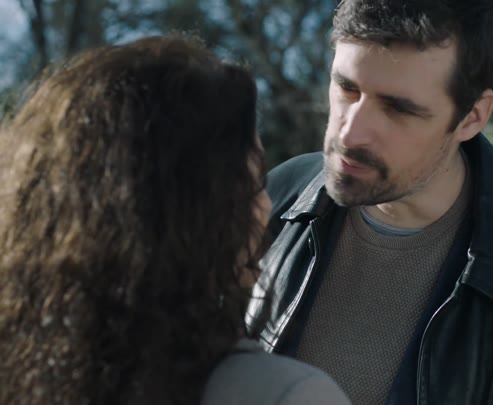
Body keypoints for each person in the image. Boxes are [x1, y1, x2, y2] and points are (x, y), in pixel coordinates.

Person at [246, 0, 493, 404]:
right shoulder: (275, 201)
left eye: (398, 109)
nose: (351, 133)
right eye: (346, 88)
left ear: (472, 117)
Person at [0, 36, 349, 405]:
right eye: (252, 184)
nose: (266, 204)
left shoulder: (21, 368)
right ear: (192, 215)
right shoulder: (285, 395)